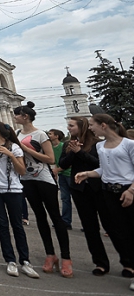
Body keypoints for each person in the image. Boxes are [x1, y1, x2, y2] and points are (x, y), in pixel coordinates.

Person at [75, 114, 134, 292]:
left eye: (92, 124)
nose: (90, 127)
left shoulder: (128, 144)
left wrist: (131, 190)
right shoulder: (100, 146)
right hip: (109, 192)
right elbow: (104, 169)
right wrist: (88, 173)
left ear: (103, 125)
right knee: (122, 233)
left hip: (127, 191)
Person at [14, 101, 72, 278]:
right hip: (27, 179)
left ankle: (66, 258)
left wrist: (24, 147)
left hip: (44, 178)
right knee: (39, 217)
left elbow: (50, 158)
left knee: (55, 216)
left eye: (17, 114)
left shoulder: (40, 134)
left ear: (25, 116)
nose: (15, 117)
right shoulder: (16, 133)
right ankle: (50, 254)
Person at [0, 121, 39, 279]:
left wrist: (10, 155)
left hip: (12, 190)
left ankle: (25, 261)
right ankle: (10, 260)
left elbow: (22, 170)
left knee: (17, 225)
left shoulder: (15, 148)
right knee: (2, 225)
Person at [59, 117, 113, 276]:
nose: (68, 128)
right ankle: (100, 263)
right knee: (90, 228)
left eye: (71, 126)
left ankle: (128, 262)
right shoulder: (69, 144)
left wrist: (79, 152)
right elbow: (63, 164)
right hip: (80, 189)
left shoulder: (98, 143)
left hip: (99, 189)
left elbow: (99, 164)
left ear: (82, 127)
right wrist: (72, 152)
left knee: (112, 225)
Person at [49, 129, 72, 229]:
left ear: (56, 136)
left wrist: (58, 169)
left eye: (50, 134)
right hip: (62, 175)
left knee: (78, 199)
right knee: (65, 198)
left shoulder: (63, 146)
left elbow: (70, 161)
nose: (48, 135)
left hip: (70, 174)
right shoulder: (50, 147)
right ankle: (66, 221)